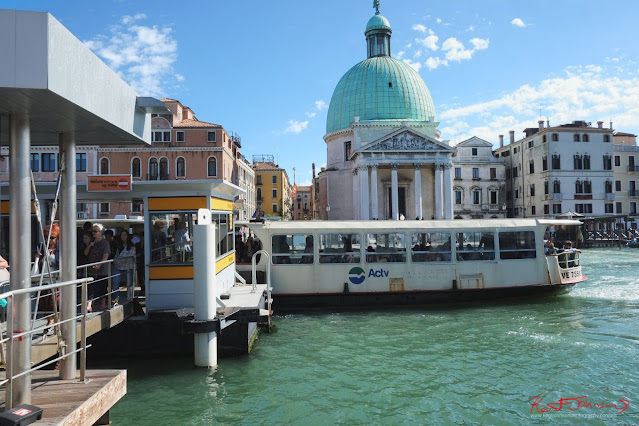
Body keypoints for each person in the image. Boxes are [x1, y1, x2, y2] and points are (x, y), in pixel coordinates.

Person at [34, 223, 60, 331]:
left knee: (57, 302)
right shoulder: (41, 247)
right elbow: (38, 263)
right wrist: (37, 258)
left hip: (57, 279)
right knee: (45, 302)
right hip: (44, 279)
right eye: (47, 237)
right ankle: (50, 321)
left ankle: (58, 321)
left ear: (57, 238)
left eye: (52, 238)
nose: (49, 240)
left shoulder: (60, 249)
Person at [86, 223, 110, 311]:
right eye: (93, 231)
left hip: (102, 269)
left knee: (102, 286)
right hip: (90, 268)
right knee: (90, 287)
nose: (93, 233)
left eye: (95, 231)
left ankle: (103, 302)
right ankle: (89, 304)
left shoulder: (105, 243)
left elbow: (106, 255)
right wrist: (90, 246)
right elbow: (85, 253)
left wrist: (100, 264)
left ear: (101, 232)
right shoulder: (91, 241)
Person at [112, 230, 136, 306]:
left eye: (125, 234)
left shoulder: (132, 246)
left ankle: (130, 297)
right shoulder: (119, 245)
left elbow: (131, 257)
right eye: (122, 234)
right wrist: (116, 262)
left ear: (127, 236)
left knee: (129, 283)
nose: (123, 236)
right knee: (115, 281)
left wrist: (121, 263)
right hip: (118, 266)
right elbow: (116, 256)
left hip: (128, 267)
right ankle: (116, 298)